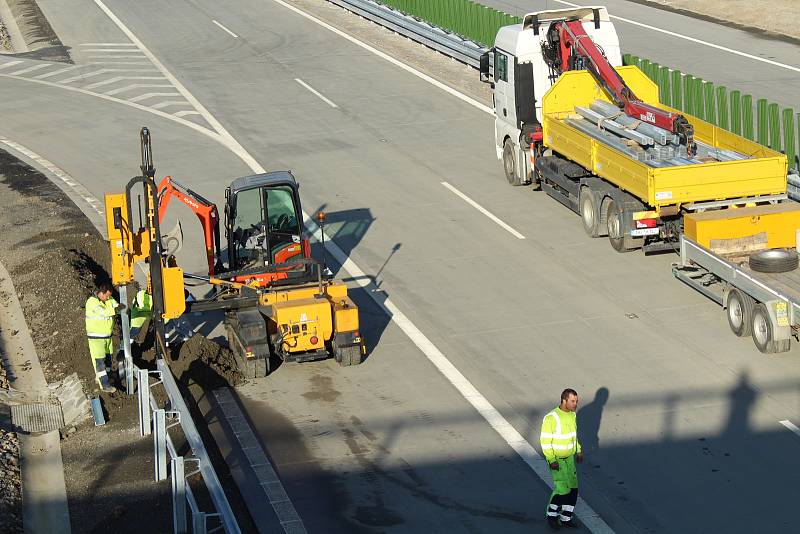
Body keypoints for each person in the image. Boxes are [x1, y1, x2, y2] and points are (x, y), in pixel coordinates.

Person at [540, 388, 583, 530]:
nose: (575, 404)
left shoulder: (572, 415)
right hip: (557, 460)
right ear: (564, 400)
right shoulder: (551, 418)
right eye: (573, 401)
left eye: (576, 401)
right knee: (562, 490)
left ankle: (566, 517)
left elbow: (573, 435)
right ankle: (551, 516)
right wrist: (551, 459)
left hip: (569, 459)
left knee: (573, 489)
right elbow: (545, 441)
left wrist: (578, 450)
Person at [85, 282, 123, 393]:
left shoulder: (109, 299)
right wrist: (116, 310)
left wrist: (120, 308)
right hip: (96, 337)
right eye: (106, 296)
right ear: (101, 293)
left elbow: (115, 305)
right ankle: (105, 385)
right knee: (100, 361)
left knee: (108, 360)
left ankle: (105, 378)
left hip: (107, 336)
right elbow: (103, 312)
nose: (108, 298)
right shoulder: (92, 302)